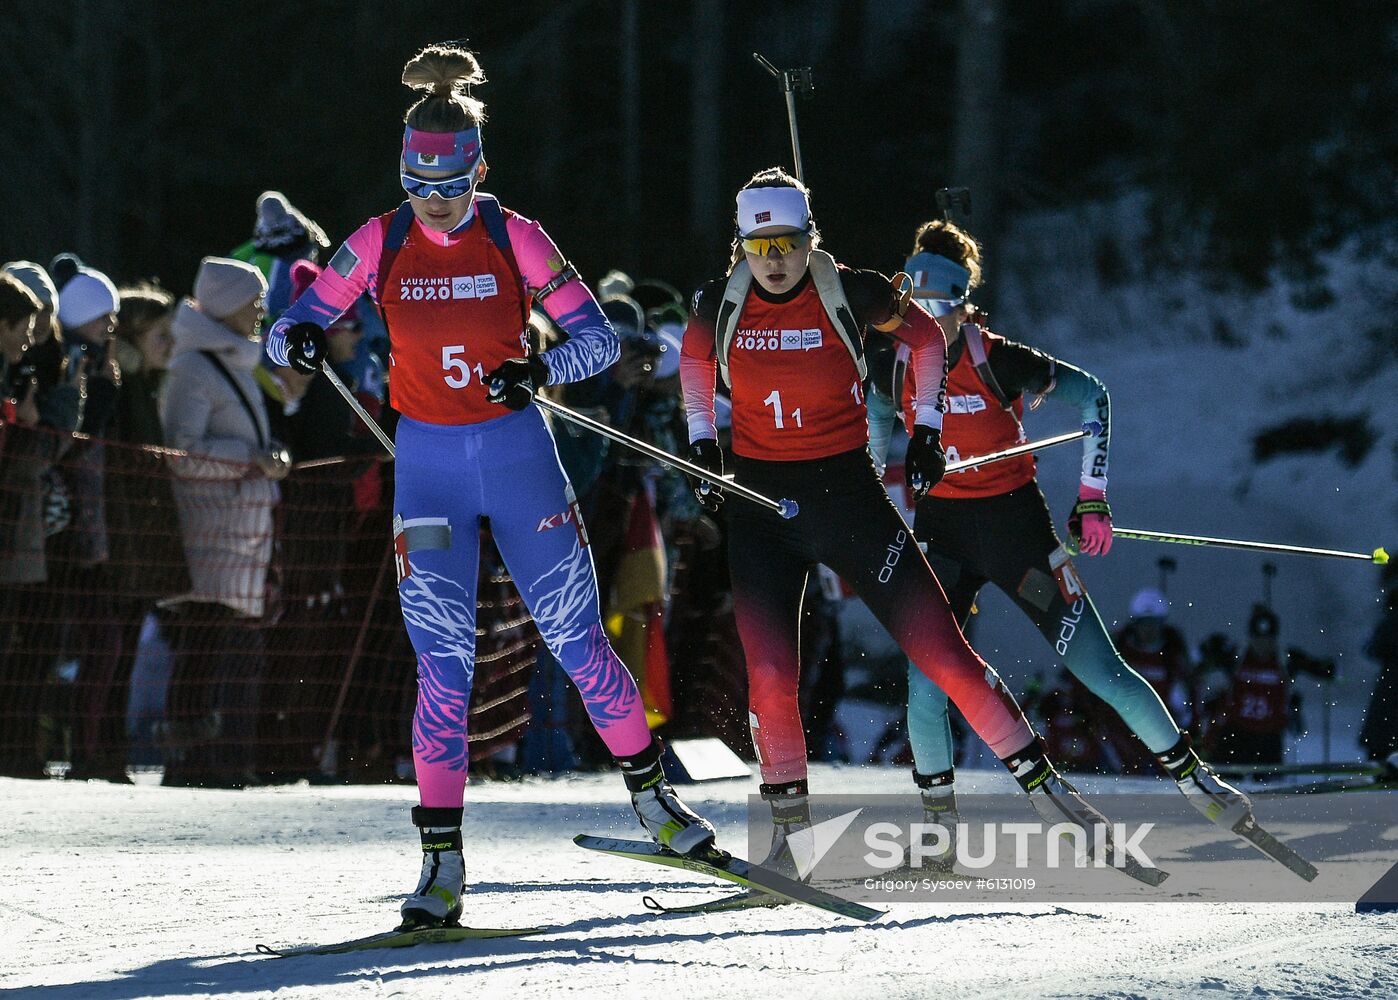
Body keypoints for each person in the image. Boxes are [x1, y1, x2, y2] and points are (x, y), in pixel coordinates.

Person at [265, 44, 714, 930]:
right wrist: (301, 339)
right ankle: (440, 866)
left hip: (517, 458)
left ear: (479, 169)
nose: (435, 202)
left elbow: (597, 341)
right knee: (445, 666)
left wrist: (539, 365)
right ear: (403, 173)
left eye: (451, 184)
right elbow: (292, 325)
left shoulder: (515, 233)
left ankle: (658, 806)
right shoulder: (380, 237)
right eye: (419, 184)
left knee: (577, 640)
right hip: (428, 470)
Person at [680, 167, 1131, 875]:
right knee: (768, 673)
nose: (776, 262)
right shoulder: (720, 301)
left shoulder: (852, 290)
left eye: (788, 245)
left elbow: (924, 341)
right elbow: (693, 360)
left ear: (809, 239)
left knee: (942, 654)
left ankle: (1052, 796)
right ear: (741, 248)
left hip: (848, 499)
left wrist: (923, 428)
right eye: (761, 248)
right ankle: (787, 847)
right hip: (763, 507)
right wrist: (703, 439)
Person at [870, 218, 1250, 854]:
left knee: (1098, 669)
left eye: (940, 312)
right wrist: (891, 488)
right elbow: (881, 419)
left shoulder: (999, 358)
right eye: (916, 313)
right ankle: (938, 833)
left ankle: (1198, 785)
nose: (928, 328)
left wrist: (1092, 499)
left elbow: (1093, 398)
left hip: (1017, 538)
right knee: (924, 680)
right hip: (944, 542)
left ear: (964, 306)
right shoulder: (894, 367)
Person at [161, 257, 289, 787]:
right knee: (204, 647)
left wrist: (263, 456)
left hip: (236, 534)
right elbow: (179, 453)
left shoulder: (231, 361)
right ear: (228, 305)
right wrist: (250, 457)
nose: (261, 310)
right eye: (252, 301)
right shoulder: (193, 368)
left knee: (222, 648)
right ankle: (194, 759)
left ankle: (217, 757)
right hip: (209, 534)